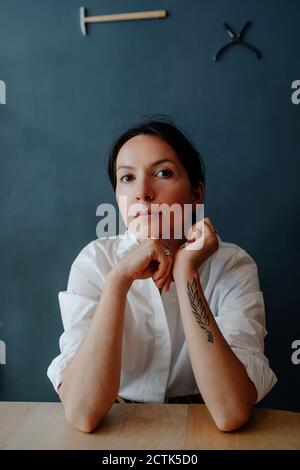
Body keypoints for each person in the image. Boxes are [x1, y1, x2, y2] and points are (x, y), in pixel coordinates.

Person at [47, 117, 277, 433]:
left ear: (196, 193)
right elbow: (83, 413)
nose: (142, 192)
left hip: (204, 428)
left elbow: (229, 411)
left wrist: (186, 273)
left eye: (162, 173)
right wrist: (118, 280)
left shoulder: (233, 266)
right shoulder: (95, 263)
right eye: (127, 178)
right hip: (117, 429)